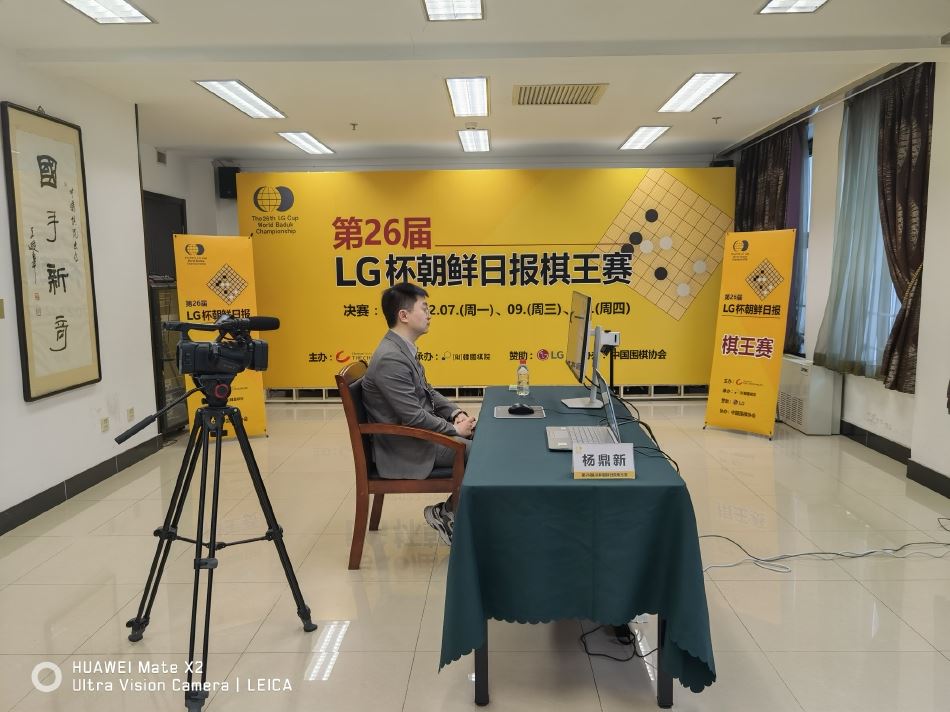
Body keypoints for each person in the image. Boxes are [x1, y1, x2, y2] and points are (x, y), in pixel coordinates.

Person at [361, 282, 476, 544]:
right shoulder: (391, 358)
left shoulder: (402, 349)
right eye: (424, 308)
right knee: (479, 453)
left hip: (418, 436)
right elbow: (412, 416)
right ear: (403, 315)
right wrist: (454, 430)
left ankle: (455, 512)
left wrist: (455, 413)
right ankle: (449, 514)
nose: (429, 314)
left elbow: (427, 391)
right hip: (407, 447)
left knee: (483, 437)